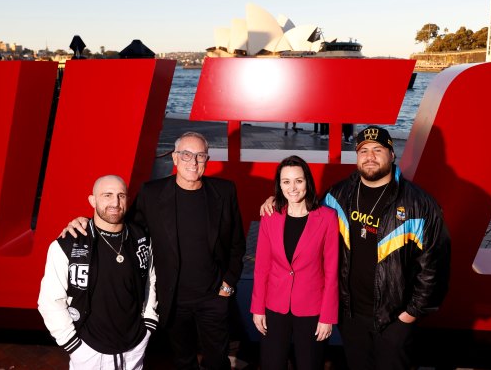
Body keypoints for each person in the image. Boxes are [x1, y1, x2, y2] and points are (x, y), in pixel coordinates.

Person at [261, 126, 451, 370]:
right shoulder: (337, 196)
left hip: (394, 317)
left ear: (392, 154)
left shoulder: (420, 204)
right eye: (363, 151)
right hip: (350, 316)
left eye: (377, 150)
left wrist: (411, 312)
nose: (369, 156)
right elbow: (304, 209)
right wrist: (276, 201)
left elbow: (436, 265)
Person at [61, 131, 246, 370]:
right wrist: (85, 222)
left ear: (207, 160)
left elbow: (237, 243)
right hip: (172, 299)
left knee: (218, 361)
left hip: (213, 297)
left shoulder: (225, 191)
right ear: (176, 158)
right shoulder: (152, 193)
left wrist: (227, 285)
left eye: (200, 156)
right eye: (187, 155)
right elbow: (121, 226)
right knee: (182, 361)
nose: (194, 161)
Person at [38, 175, 157, 370]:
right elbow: (49, 301)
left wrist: (149, 324)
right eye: (107, 195)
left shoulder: (140, 238)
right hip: (89, 349)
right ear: (92, 200)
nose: (115, 203)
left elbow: (151, 281)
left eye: (121, 195)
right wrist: (73, 345)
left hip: (134, 345)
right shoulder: (68, 243)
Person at [251, 156, 338, 370]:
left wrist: (327, 316)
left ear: (307, 182)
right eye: (286, 181)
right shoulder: (270, 216)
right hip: (274, 305)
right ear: (279, 185)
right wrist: (257, 308)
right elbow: (261, 267)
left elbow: (332, 270)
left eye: (298, 181)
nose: (293, 187)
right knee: (272, 364)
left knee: (310, 364)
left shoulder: (327, 217)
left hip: (312, 308)